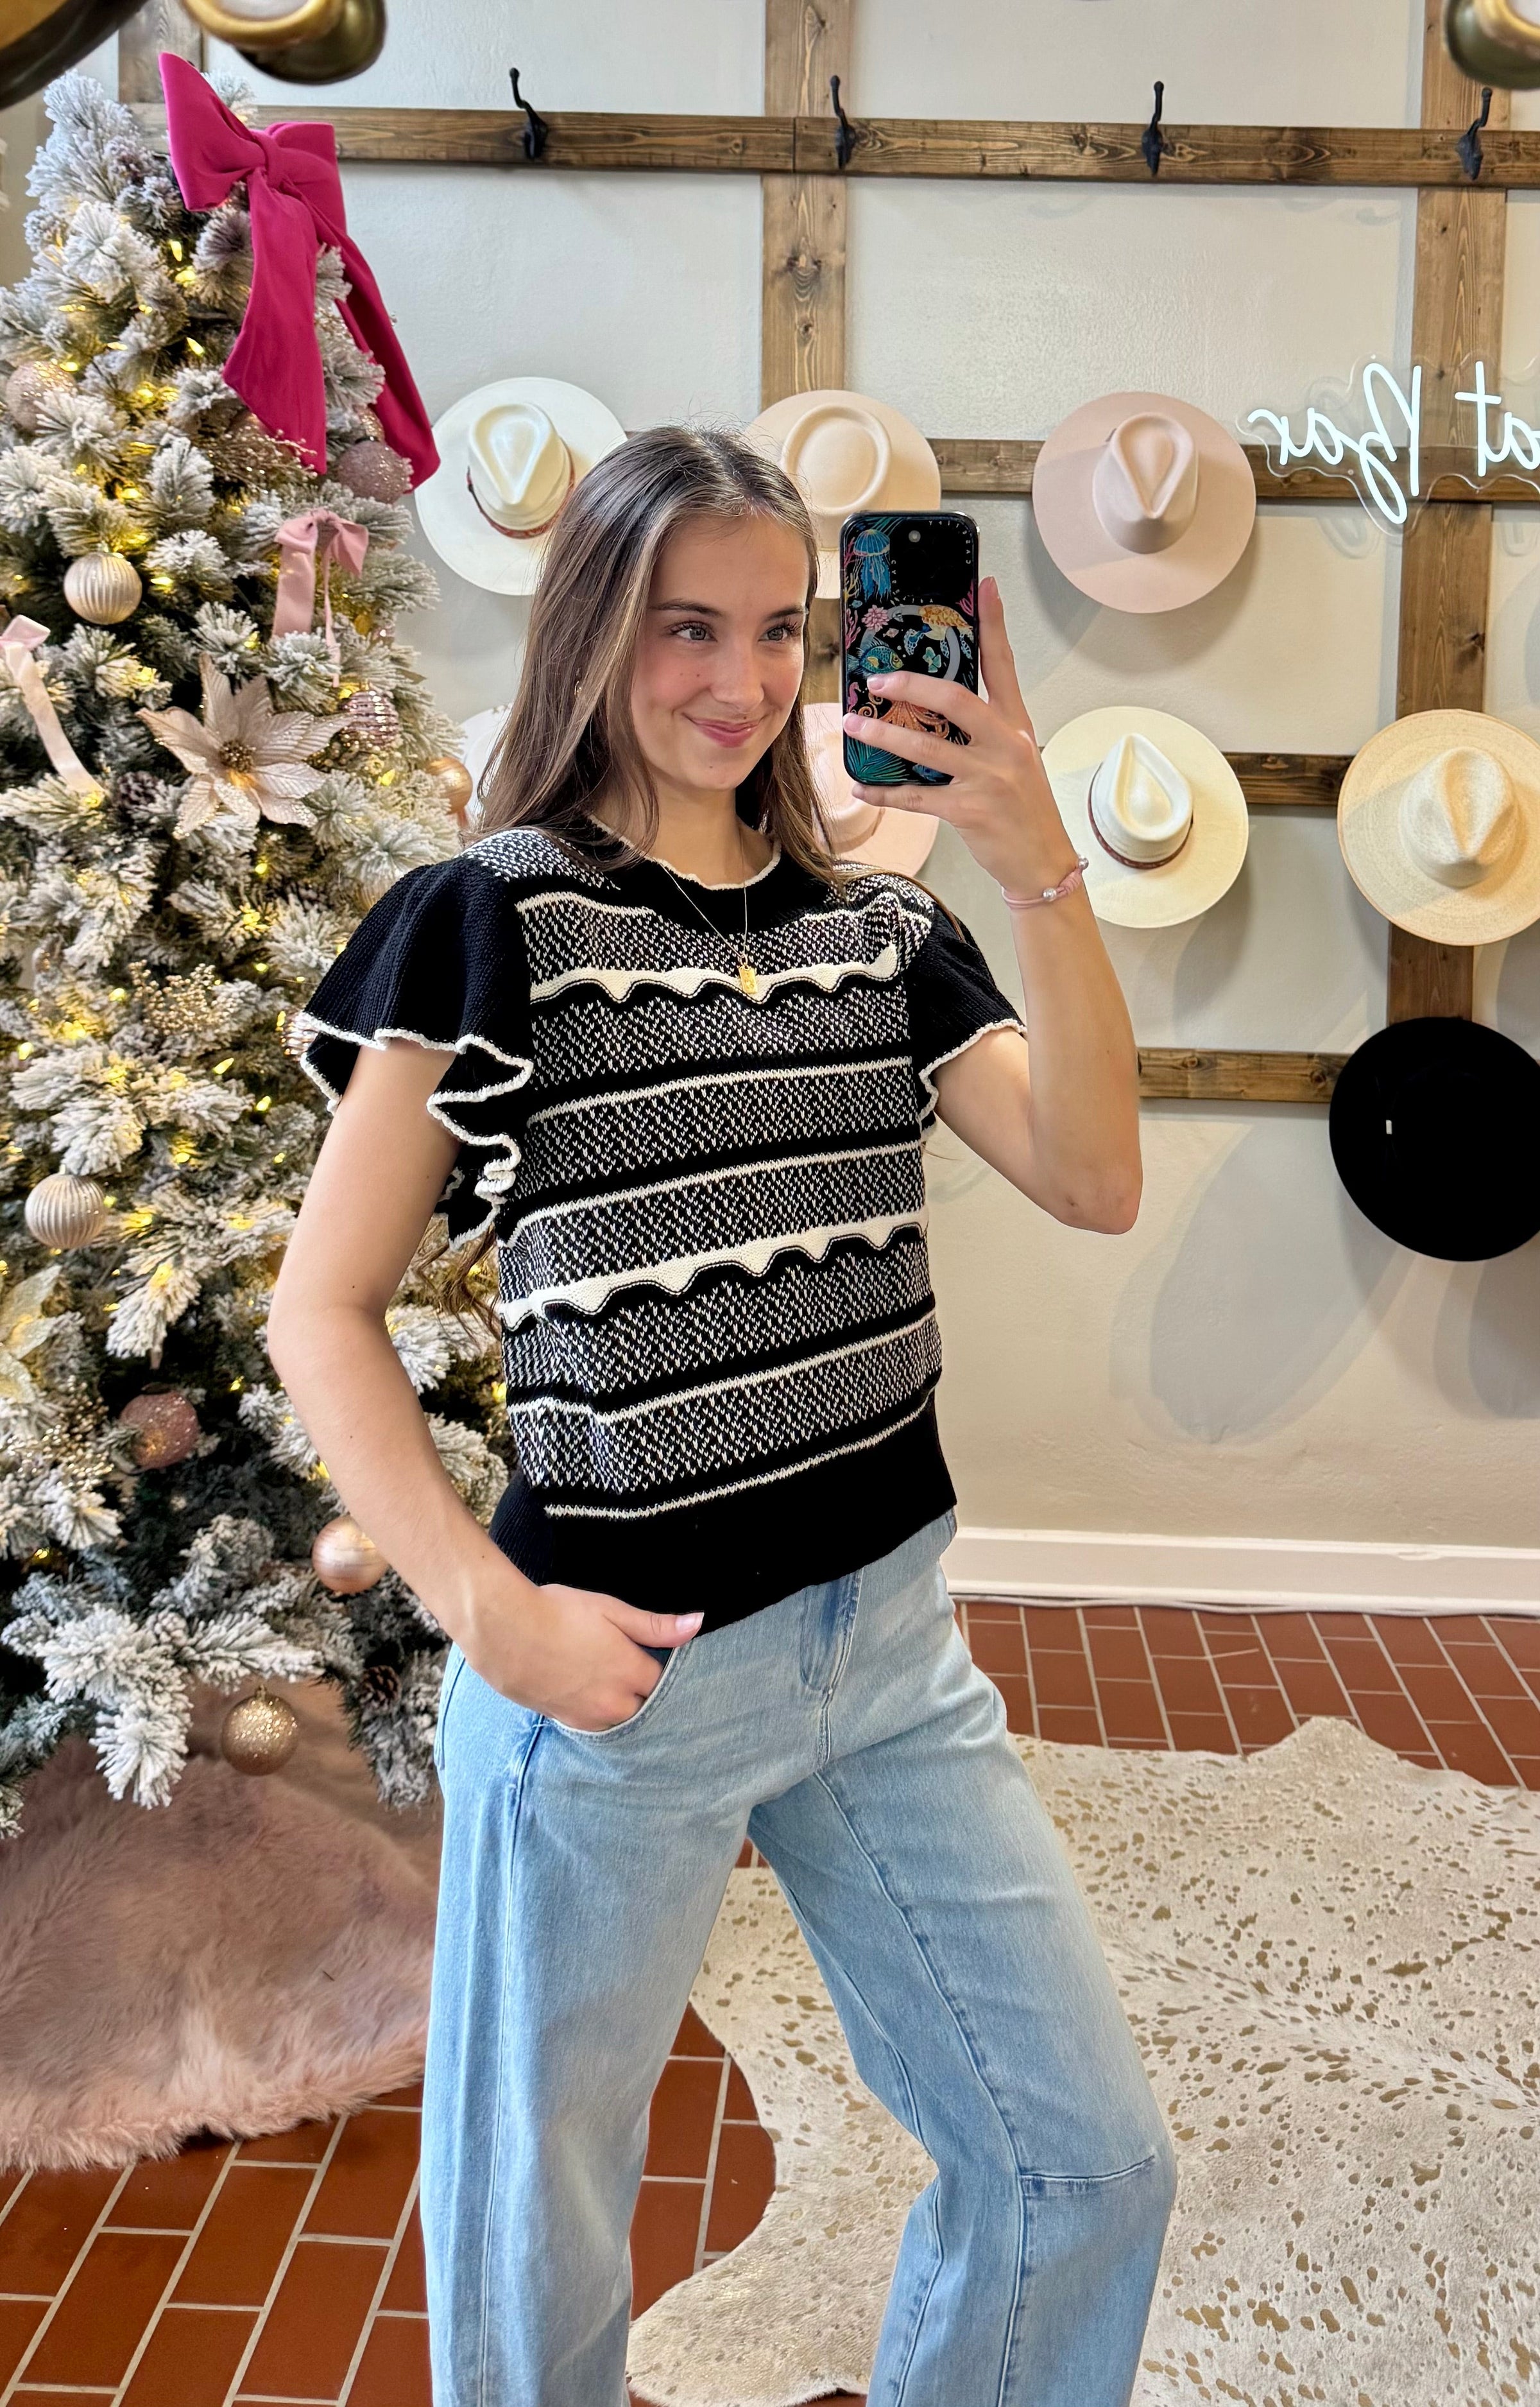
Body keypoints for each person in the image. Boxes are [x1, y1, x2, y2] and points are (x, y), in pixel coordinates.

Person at [268, 425, 1177, 2407]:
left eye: (780, 630)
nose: (742, 680)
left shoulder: (890, 936)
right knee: (535, 2245)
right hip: (614, 1680)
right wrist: (486, 1615)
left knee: (1087, 2167)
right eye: (687, 626)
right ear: (594, 629)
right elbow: (317, 1313)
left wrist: (1035, 858)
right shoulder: (494, 919)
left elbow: (1100, 1180)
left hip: (889, 1655)